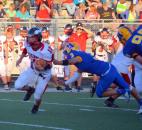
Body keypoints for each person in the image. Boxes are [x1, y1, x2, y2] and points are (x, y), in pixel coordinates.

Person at [53, 43, 142, 114]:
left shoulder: (78, 57)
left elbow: (72, 60)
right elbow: (77, 74)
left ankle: (121, 91)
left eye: (67, 53)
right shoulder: (81, 56)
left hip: (106, 74)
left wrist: (59, 62)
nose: (66, 55)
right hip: (111, 68)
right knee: (128, 86)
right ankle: (140, 103)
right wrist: (66, 83)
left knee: (99, 93)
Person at [15, 27, 54, 114]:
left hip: (44, 74)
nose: (28, 38)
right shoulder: (28, 43)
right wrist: (20, 58)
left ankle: (36, 106)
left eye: (31, 37)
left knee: (37, 96)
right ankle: (30, 89)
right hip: (32, 70)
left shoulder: (46, 50)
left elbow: (50, 65)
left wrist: (42, 67)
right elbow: (26, 49)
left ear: (38, 37)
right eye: (28, 37)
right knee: (17, 85)